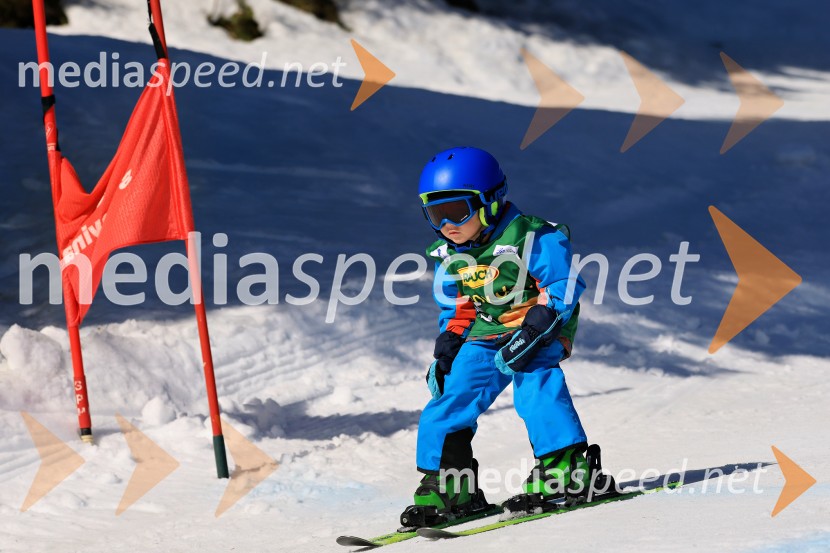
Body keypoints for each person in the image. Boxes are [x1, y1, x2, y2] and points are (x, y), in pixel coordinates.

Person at [400, 146, 592, 527]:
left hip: (539, 325)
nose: (447, 224)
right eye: (436, 214)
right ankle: (450, 484)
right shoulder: (449, 254)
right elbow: (458, 307)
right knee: (451, 395)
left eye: (457, 211)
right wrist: (449, 348)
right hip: (487, 331)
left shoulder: (532, 236)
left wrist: (535, 329)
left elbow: (563, 285)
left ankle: (565, 468)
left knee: (533, 383)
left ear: (489, 202)